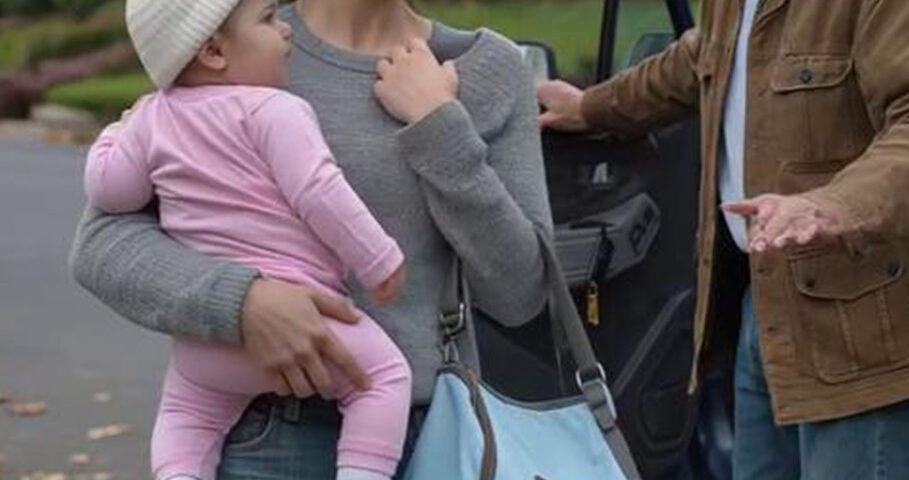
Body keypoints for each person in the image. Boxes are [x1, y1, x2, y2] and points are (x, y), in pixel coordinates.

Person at [70, 0, 553, 477]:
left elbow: (520, 293)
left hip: (440, 437)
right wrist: (242, 302)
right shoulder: (241, 38)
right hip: (272, 438)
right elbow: (101, 245)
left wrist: (438, 124)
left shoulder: (489, 67)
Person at [537, 0, 909, 478]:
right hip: (767, 303)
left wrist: (834, 205)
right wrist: (591, 108)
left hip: (862, 326)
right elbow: (702, 58)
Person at [85, 0, 415, 478]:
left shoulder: (152, 116)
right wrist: (379, 260)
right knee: (383, 379)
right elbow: (319, 192)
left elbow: (110, 191)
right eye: (267, 19)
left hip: (206, 344)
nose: (285, 30)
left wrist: (119, 129)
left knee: (186, 417)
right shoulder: (275, 109)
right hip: (307, 320)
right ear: (214, 51)